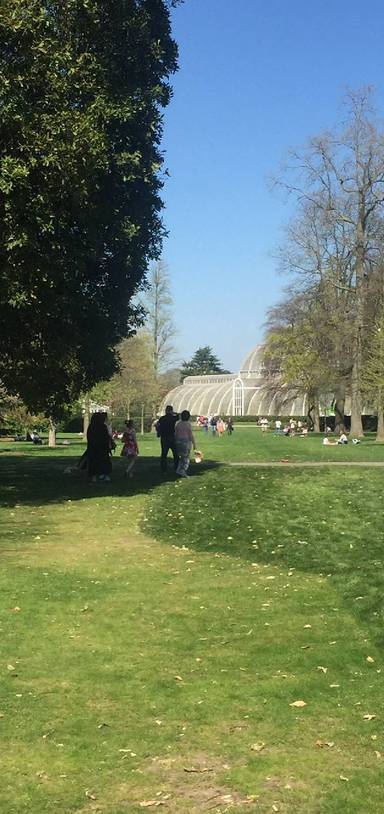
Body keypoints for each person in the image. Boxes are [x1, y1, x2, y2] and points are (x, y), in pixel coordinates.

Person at [87, 412, 112, 482]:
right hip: (102, 448)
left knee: (93, 462)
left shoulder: (91, 427)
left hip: (92, 447)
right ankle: (105, 475)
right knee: (104, 462)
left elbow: (89, 437)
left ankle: (94, 477)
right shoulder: (102, 427)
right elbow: (106, 437)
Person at [157, 405, 179, 473]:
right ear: (171, 411)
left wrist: (159, 433)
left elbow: (159, 426)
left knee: (164, 454)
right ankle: (176, 468)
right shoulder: (173, 418)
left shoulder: (162, 418)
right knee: (175, 454)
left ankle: (163, 470)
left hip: (164, 438)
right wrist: (174, 413)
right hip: (171, 437)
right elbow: (179, 415)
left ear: (166, 411)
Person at [175, 410, 196, 478]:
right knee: (186, 458)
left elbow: (176, 433)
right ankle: (183, 471)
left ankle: (179, 470)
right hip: (185, 441)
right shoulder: (188, 424)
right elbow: (190, 435)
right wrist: (194, 443)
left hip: (178, 441)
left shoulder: (178, 424)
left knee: (182, 458)